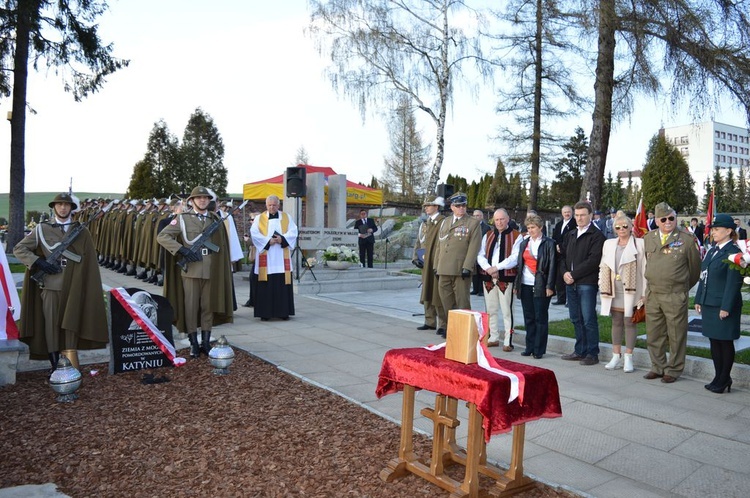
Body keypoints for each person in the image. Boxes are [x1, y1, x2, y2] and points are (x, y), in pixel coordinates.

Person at [13, 192, 108, 373]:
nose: (63, 207)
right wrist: (37, 262)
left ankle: (70, 366)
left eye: (66, 204)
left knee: (70, 326)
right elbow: (19, 248)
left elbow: (89, 261)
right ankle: (55, 366)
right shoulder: (42, 229)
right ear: (54, 207)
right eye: (59, 204)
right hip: (51, 285)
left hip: (75, 285)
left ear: (72, 208)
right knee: (51, 326)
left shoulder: (81, 231)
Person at [157, 186, 234, 358]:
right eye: (199, 198)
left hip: (211, 270)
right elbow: (162, 236)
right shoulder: (182, 219)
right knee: (191, 308)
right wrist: (181, 250)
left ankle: (206, 342)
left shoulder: (214, 219)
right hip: (191, 270)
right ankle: (193, 343)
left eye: (206, 198)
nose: (202, 200)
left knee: (208, 307)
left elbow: (222, 245)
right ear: (192, 201)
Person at [643, 202, 701, 383]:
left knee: (676, 334)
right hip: (653, 294)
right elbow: (648, 262)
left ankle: (674, 369)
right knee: (654, 333)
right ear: (657, 221)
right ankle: (657, 366)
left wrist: (681, 288)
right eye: (664, 219)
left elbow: (694, 271)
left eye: (671, 218)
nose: (668, 222)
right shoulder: (649, 238)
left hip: (674, 294)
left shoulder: (687, 240)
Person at [694, 214, 742, 393]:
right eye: (712, 229)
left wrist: (726, 307)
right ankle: (718, 376)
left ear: (729, 231)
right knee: (714, 341)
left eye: (717, 229)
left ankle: (724, 378)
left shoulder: (734, 252)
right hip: (709, 303)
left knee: (725, 342)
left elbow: (733, 283)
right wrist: (699, 298)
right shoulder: (714, 249)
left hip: (723, 305)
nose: (713, 232)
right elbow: (703, 275)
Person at [598, 214, 646, 373]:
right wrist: (601, 284)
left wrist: (644, 292)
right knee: (616, 321)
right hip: (613, 289)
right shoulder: (609, 243)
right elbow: (603, 265)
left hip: (632, 289)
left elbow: (644, 269)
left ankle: (628, 357)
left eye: (625, 226)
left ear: (631, 227)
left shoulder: (639, 244)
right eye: (617, 227)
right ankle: (615, 355)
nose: (621, 230)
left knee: (629, 321)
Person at [560, 201, 606, 365]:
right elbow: (562, 257)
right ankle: (580, 350)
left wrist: (573, 274)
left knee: (588, 318)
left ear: (591, 216)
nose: (579, 218)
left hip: (587, 283)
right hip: (570, 283)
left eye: (582, 215)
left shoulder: (597, 236)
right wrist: (565, 273)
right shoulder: (570, 234)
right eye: (577, 215)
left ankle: (592, 353)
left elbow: (593, 261)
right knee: (575, 318)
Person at [434, 192, 482, 338]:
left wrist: (467, 266)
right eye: (458, 205)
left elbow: (474, 247)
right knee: (446, 301)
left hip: (461, 269)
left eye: (464, 205)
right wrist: (436, 265)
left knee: (462, 302)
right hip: (444, 268)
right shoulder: (445, 222)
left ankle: (464, 331)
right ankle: (452, 327)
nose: (461, 208)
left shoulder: (472, 223)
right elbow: (439, 245)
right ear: (452, 207)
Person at [477, 208, 521, 349]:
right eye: (497, 219)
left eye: (502, 219)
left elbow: (514, 258)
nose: (499, 222)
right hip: (489, 277)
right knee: (491, 309)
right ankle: (493, 336)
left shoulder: (516, 236)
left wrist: (497, 268)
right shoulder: (488, 235)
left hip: (505, 278)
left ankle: (508, 340)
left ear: (507, 219)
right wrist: (489, 268)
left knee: (507, 310)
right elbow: (480, 254)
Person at [514, 214, 556, 359]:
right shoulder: (524, 243)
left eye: (533, 227)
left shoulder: (549, 243)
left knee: (541, 318)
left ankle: (539, 350)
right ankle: (529, 346)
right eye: (529, 228)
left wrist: (549, 286)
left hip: (541, 285)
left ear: (540, 228)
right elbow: (520, 266)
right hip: (525, 284)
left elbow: (552, 267)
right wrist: (517, 285)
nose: (530, 230)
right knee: (529, 317)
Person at [250, 195, 298, 321]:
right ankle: (265, 313)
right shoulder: (259, 218)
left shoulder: (286, 217)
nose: (272, 207)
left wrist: (282, 239)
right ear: (266, 205)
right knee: (265, 284)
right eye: (269, 205)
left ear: (278, 205)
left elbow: (293, 231)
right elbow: (254, 234)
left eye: (274, 205)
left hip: (282, 258)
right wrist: (268, 241)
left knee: (282, 284)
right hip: (266, 256)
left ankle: (283, 312)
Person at [412, 196, 446, 334]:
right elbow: (419, 242)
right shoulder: (425, 223)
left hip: (436, 261)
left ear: (436, 206)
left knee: (437, 292)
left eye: (429, 205)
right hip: (425, 261)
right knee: (426, 290)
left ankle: (442, 324)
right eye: (425, 205)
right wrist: (415, 257)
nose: (426, 207)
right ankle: (429, 320)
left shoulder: (442, 222)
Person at [551, 205, 574, 305]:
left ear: (572, 212)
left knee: (568, 275)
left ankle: (570, 300)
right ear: (562, 213)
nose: (567, 214)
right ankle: (561, 298)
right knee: (559, 277)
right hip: (558, 254)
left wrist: (562, 247)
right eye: (565, 212)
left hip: (569, 252)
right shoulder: (559, 224)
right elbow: (554, 237)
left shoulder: (574, 224)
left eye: (568, 212)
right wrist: (556, 246)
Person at [471, 210, 491, 295]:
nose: (476, 217)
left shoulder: (486, 228)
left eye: (478, 215)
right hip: (473, 252)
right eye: (474, 216)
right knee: (474, 272)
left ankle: (481, 290)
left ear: (482, 217)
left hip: (482, 252)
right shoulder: (471, 227)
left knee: (481, 271)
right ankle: (475, 289)